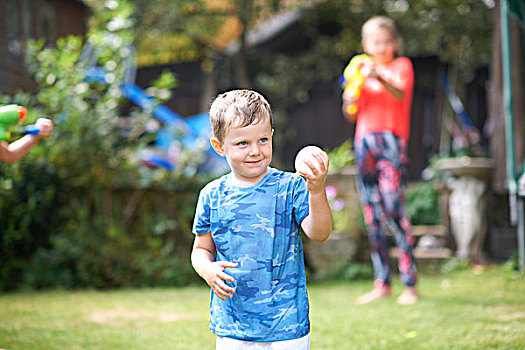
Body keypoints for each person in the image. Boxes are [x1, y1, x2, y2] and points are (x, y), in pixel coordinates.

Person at [191, 89, 332, 349]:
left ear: (272, 136)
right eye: (243, 143)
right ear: (219, 146)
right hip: (233, 324)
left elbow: (320, 232)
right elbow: (201, 249)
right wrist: (207, 270)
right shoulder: (211, 196)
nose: (255, 151)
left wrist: (317, 190)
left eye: (263, 140)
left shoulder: (290, 187)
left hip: (286, 324)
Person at [341, 16, 418, 305]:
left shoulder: (401, 66)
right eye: (376, 42)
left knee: (394, 206)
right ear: (365, 44)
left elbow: (399, 93)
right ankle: (382, 283)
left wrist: (379, 76)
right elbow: (351, 112)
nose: (382, 47)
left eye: (387, 41)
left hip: (391, 141)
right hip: (364, 142)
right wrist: (350, 96)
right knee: (372, 213)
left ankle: (410, 283)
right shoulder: (358, 70)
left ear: (395, 43)